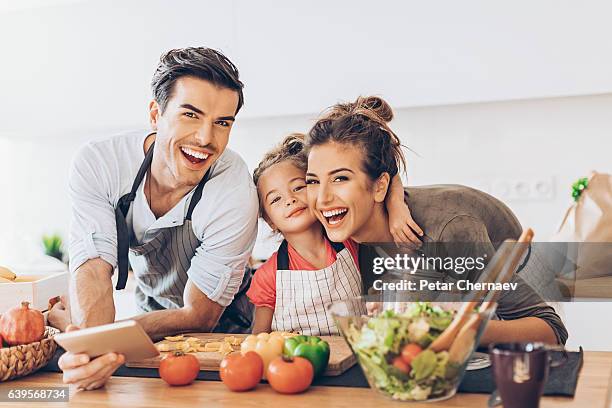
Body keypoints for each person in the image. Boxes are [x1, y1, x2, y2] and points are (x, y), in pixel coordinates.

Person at [48, 47, 259, 390]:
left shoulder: (233, 190)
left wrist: (107, 340)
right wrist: (89, 352)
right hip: (147, 323)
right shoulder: (100, 164)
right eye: (191, 115)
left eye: (222, 123)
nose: (206, 139)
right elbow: (93, 269)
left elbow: (199, 316)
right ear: (155, 115)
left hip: (222, 335)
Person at [304, 95, 568, 345]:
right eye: (313, 181)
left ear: (380, 186)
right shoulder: (342, 223)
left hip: (517, 293)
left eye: (340, 178)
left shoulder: (448, 230)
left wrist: (458, 327)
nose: (323, 198)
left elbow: (550, 329)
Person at [247, 133, 421, 335]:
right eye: (275, 199)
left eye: (298, 187)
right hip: (300, 364)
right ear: (270, 221)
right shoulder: (268, 276)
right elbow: (259, 339)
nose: (290, 199)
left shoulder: (350, 242)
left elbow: (385, 173)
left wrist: (396, 204)